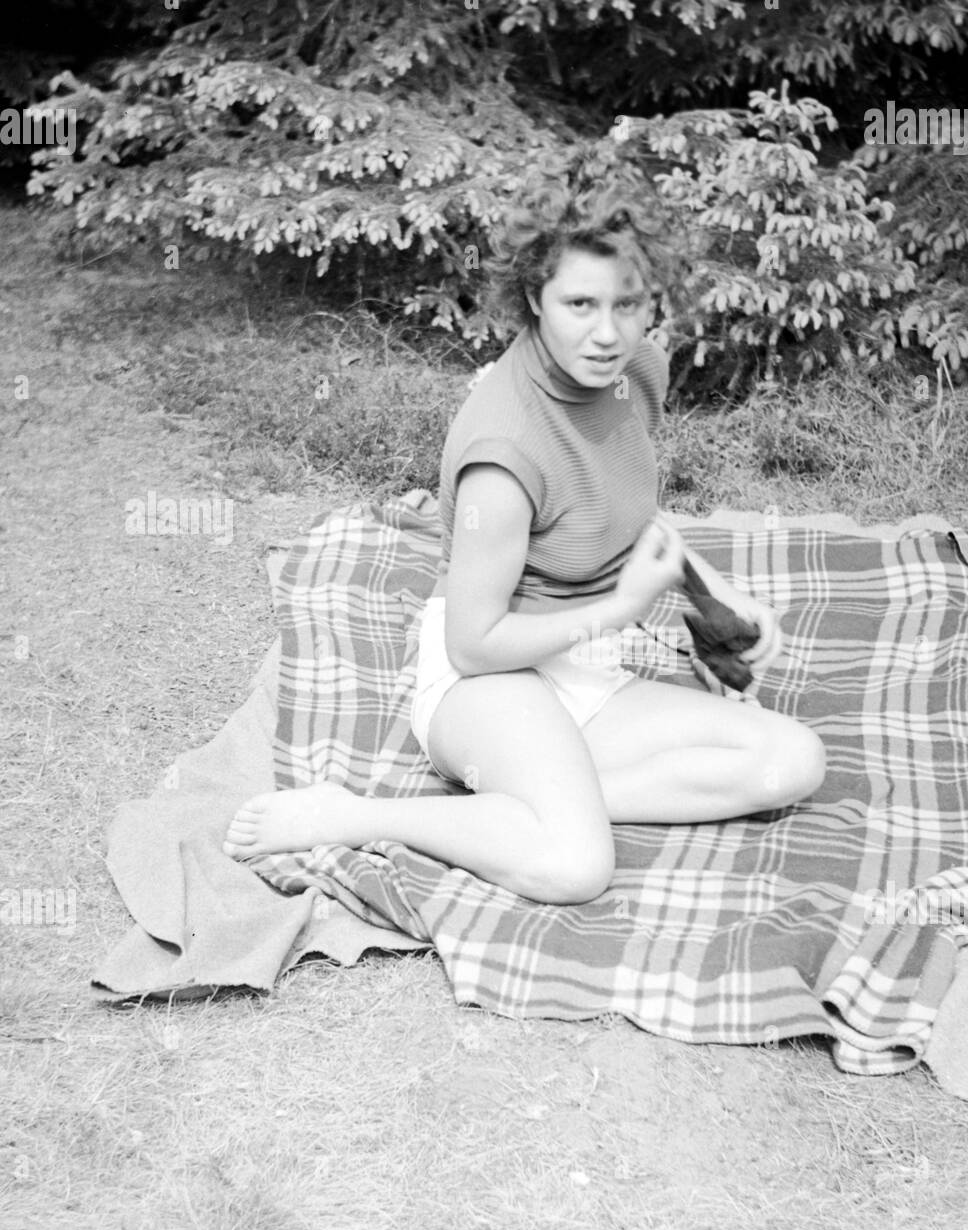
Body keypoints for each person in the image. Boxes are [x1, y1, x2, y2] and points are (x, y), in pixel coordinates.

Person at [224, 153, 825, 903]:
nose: (607, 334)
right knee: (574, 868)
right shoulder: (502, 456)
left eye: (629, 305)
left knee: (789, 761)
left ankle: (543, 800)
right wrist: (620, 610)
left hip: (575, 672)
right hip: (487, 680)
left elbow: (620, 504)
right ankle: (356, 814)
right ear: (534, 296)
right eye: (580, 305)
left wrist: (710, 597)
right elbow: (473, 646)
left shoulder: (633, 371)